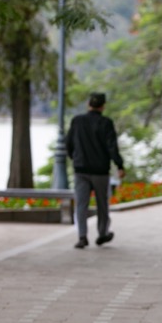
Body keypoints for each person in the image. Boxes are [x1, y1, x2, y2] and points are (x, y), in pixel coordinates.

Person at [66, 92, 125, 249]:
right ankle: (102, 233)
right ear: (103, 106)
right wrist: (119, 165)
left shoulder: (77, 121)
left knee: (81, 204)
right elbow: (112, 147)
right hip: (100, 170)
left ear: (88, 104)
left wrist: (75, 159)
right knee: (102, 204)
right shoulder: (106, 123)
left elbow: (69, 144)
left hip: (80, 170)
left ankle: (82, 236)